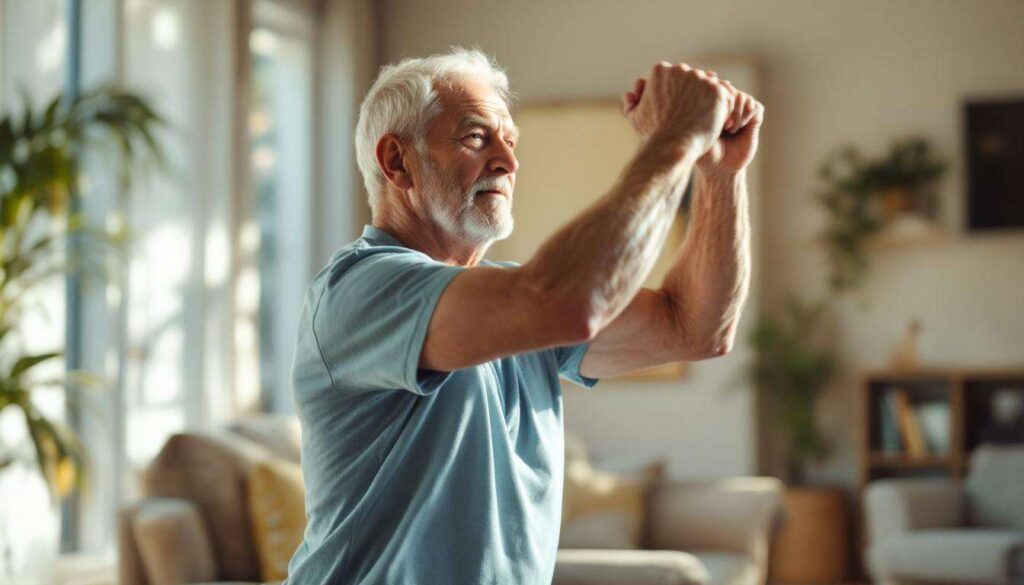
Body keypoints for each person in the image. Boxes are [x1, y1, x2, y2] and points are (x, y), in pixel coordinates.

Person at [286, 47, 763, 584]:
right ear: (396, 161)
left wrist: (720, 174)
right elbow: (570, 301)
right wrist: (675, 136)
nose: (508, 163)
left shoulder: (513, 302)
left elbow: (696, 327)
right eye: (475, 137)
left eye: (510, 141)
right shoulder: (362, 289)